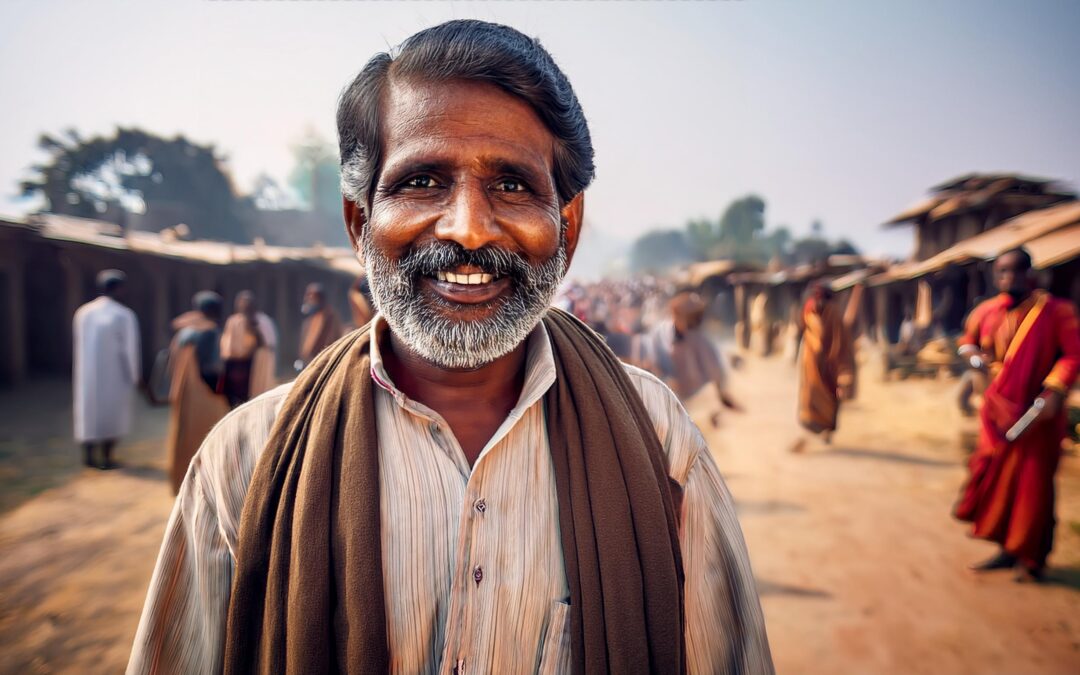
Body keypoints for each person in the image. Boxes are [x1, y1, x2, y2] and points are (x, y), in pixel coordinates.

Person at [130, 20, 772, 674]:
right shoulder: (244, 460)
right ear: (360, 224)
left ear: (568, 227)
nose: (467, 229)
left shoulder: (658, 440)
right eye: (423, 181)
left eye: (512, 185)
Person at [954, 248, 1080, 582]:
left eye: (1014, 271)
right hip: (996, 410)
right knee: (997, 481)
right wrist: (972, 356)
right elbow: (966, 340)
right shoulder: (986, 310)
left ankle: (1031, 559)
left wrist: (1053, 390)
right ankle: (1007, 550)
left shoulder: (1056, 312)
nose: (1008, 278)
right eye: (1002, 272)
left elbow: (1072, 355)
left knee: (1033, 486)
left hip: (1036, 416)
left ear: (1031, 274)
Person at [639, 291, 743, 427]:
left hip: (694, 392)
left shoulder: (698, 339)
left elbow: (714, 367)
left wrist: (721, 393)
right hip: (668, 389)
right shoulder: (661, 333)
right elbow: (652, 356)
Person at [72, 269, 140, 470]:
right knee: (113, 413)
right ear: (119, 289)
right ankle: (107, 457)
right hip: (115, 376)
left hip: (87, 375)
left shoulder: (83, 312)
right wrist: (135, 377)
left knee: (88, 412)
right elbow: (130, 350)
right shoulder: (124, 315)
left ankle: (89, 456)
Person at [166, 291, 230, 494]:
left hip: (183, 392)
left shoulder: (183, 332)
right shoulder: (209, 331)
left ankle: (181, 483)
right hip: (202, 396)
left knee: (183, 436)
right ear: (211, 310)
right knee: (205, 437)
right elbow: (208, 369)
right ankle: (203, 487)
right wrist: (221, 393)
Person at [792, 284, 852, 453]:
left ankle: (816, 432)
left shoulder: (813, 310)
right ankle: (823, 432)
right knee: (828, 397)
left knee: (817, 397)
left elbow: (815, 337)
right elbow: (840, 343)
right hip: (828, 364)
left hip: (816, 363)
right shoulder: (830, 312)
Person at [219, 291, 277, 407]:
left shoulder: (262, 321)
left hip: (257, 364)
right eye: (242, 303)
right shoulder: (233, 321)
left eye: (248, 303)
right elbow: (227, 346)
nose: (245, 306)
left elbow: (268, 344)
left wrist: (253, 327)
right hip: (237, 366)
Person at [296, 282, 344, 368]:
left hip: (324, 362)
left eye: (311, 297)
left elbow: (331, 339)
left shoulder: (330, 316)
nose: (308, 300)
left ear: (320, 298)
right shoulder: (311, 318)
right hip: (309, 363)